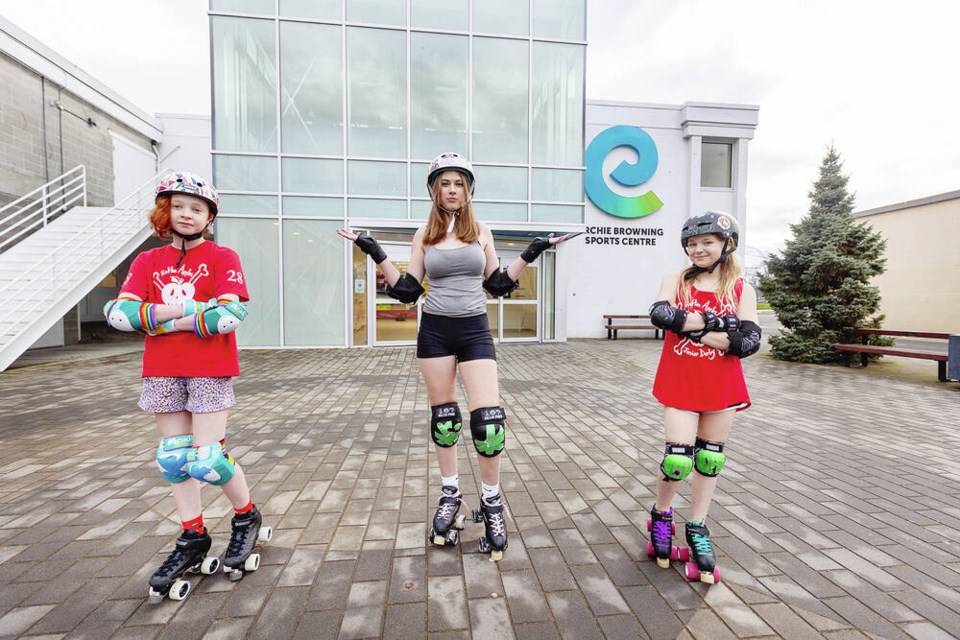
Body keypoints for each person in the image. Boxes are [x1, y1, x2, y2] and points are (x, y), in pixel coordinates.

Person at [337, 152, 569, 561]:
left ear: (469, 190)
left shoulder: (481, 231)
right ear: (433, 190)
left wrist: (533, 251)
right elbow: (409, 290)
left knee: (489, 423)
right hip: (436, 333)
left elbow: (497, 284)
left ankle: (492, 501)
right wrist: (372, 249)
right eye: (444, 183)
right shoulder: (423, 235)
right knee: (444, 419)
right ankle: (451, 494)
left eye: (458, 183)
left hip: (475, 330)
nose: (451, 190)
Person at [103, 171, 270, 603]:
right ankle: (193, 535)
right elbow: (119, 315)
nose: (187, 214)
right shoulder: (146, 262)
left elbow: (228, 318)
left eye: (197, 208)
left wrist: (157, 318)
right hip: (161, 370)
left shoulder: (222, 256)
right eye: (179, 206)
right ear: (166, 211)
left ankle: (246, 516)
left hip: (210, 368)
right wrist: (192, 310)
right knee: (174, 459)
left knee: (207, 458)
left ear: (209, 215)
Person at [646, 211, 762, 584]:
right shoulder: (676, 279)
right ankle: (661, 515)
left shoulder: (741, 289)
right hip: (681, 382)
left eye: (706, 242)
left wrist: (692, 326)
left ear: (727, 245)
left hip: (722, 386)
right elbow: (661, 315)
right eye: (692, 244)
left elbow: (747, 342)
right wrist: (717, 325)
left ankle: (697, 526)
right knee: (678, 460)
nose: (697, 249)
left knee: (710, 459)